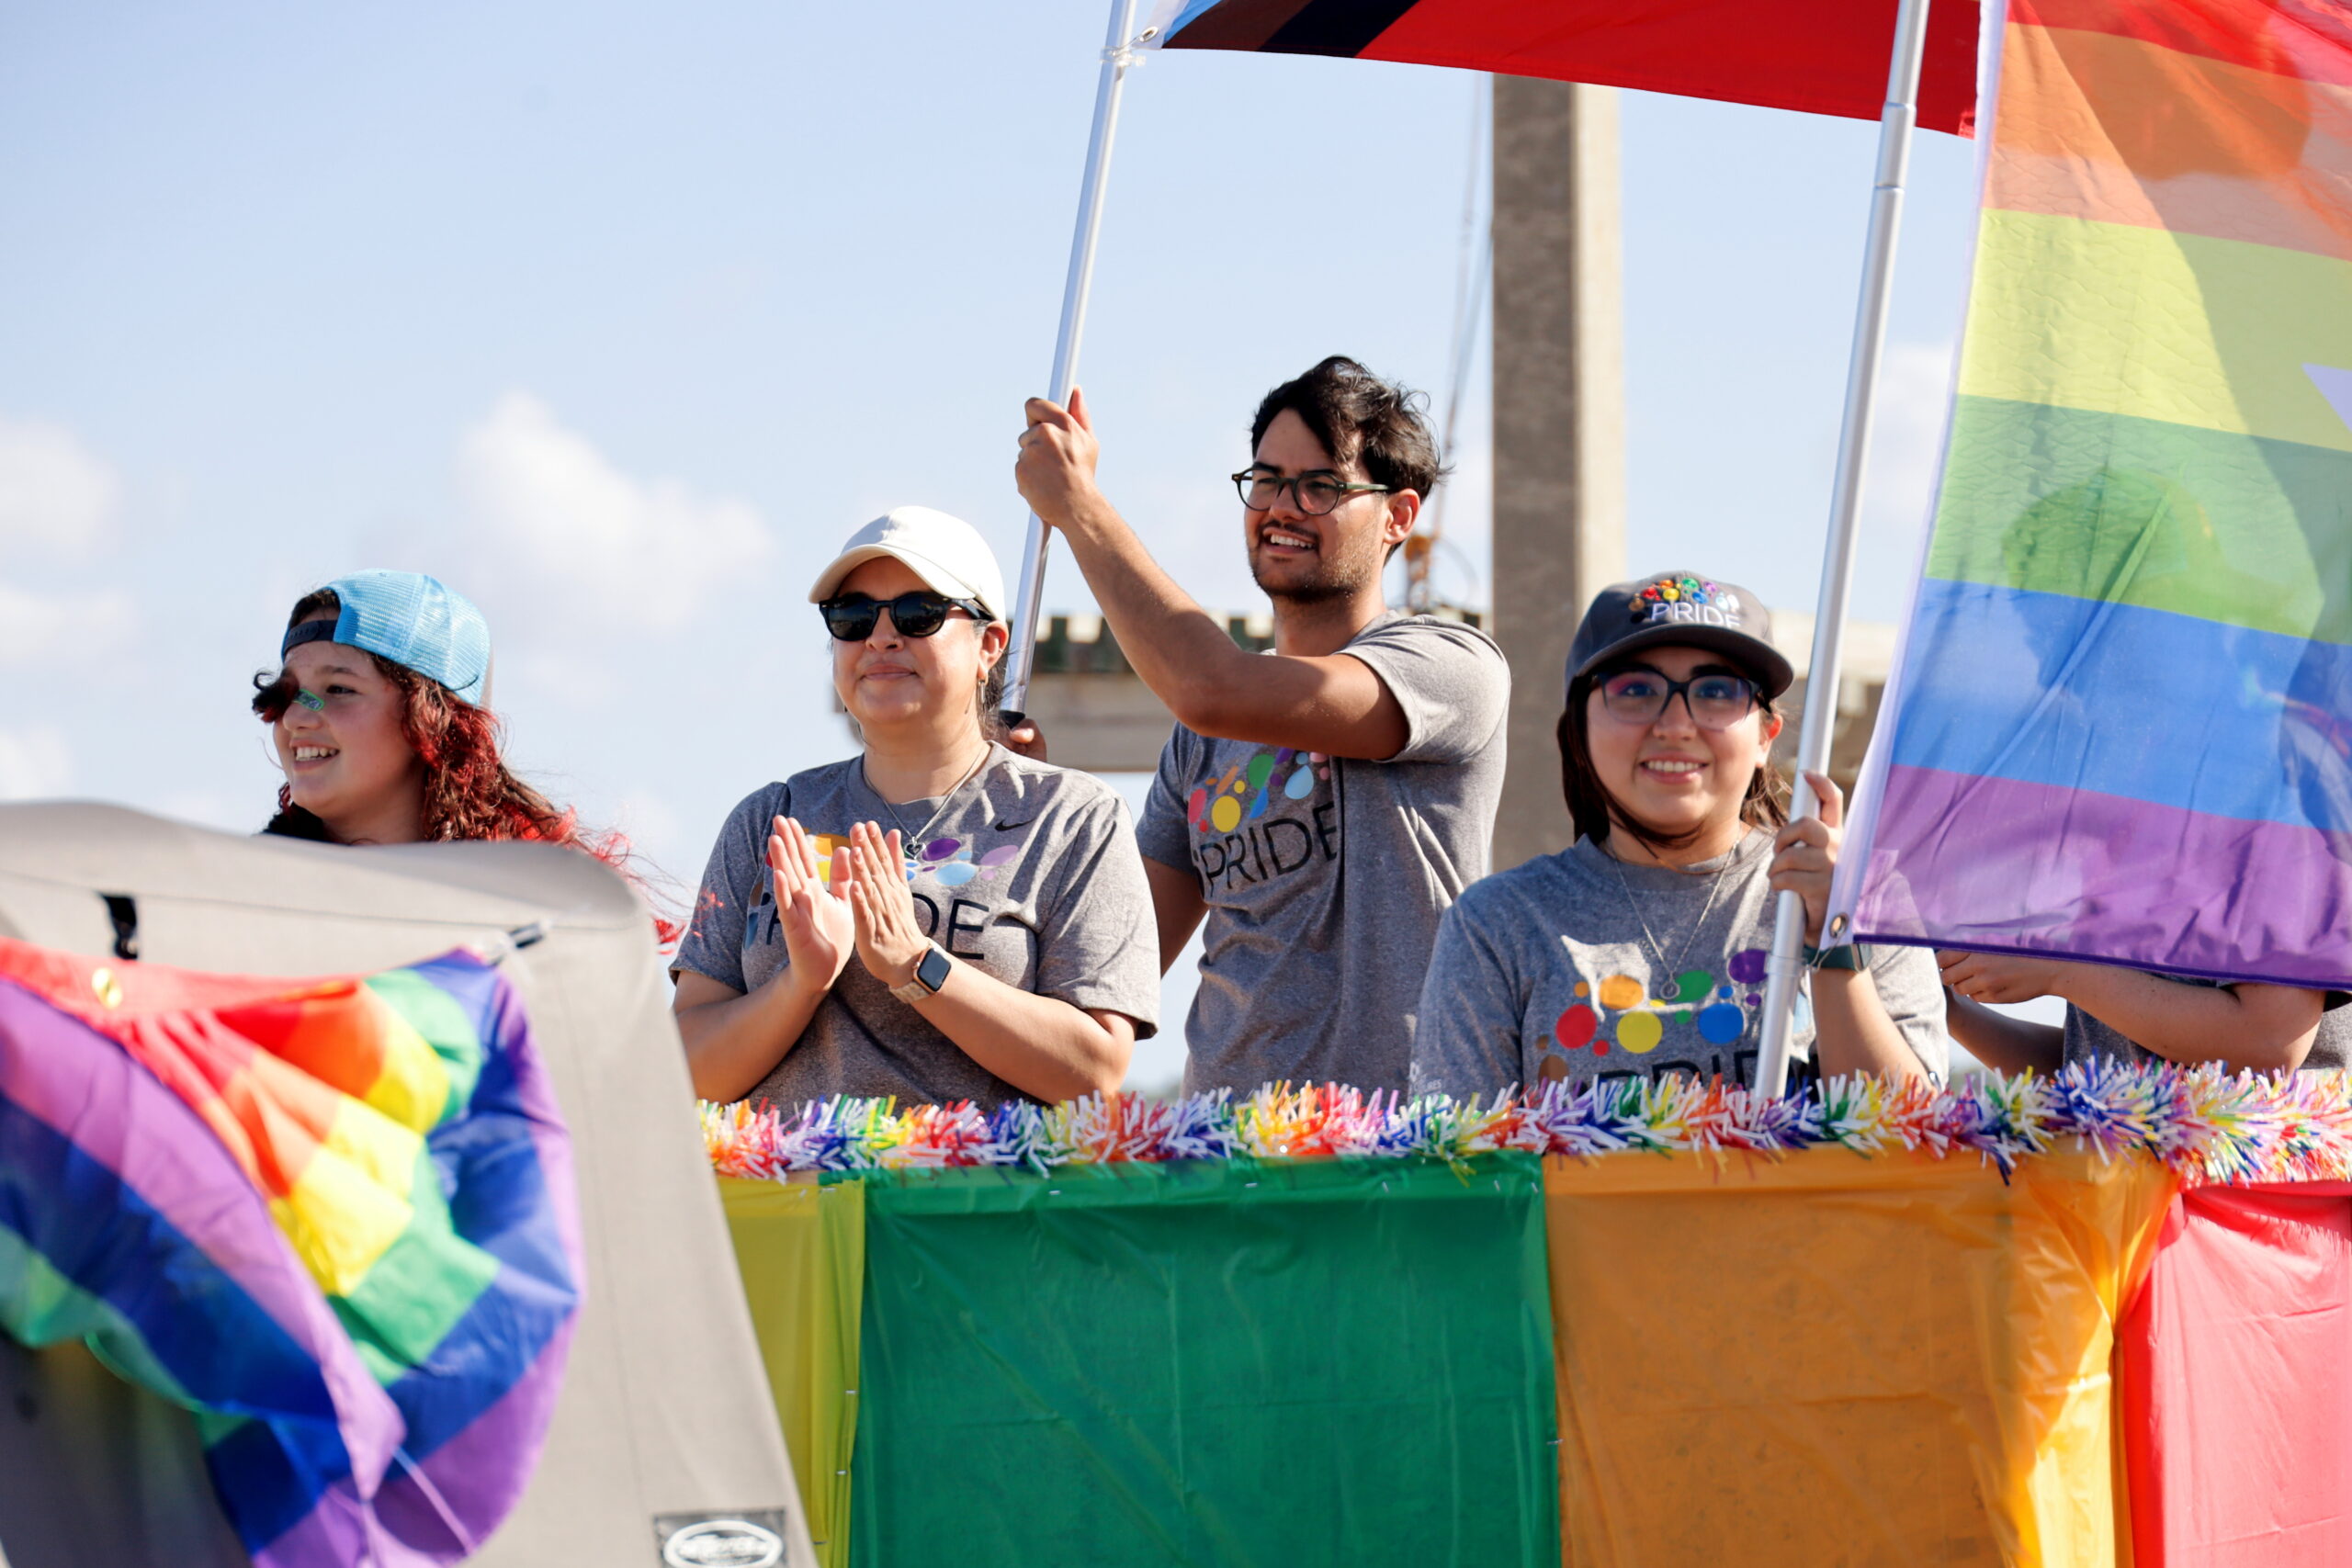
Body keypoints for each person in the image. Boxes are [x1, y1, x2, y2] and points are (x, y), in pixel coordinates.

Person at [1015, 357, 1510, 1095]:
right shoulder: (1202, 737)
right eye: (1268, 480)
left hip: (1400, 1143)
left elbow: (1209, 686)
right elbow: (1115, 962)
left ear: (1399, 516)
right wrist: (1027, 802)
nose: (1283, 506)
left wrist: (1081, 508)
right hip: (1224, 1146)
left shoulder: (1450, 666)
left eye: (1321, 486)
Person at [671, 506, 1159, 1111]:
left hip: (980, 1177)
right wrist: (799, 983)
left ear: (990, 646)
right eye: (852, 616)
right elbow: (688, 1069)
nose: (880, 636)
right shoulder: (768, 819)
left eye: (918, 612)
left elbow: (1094, 1070)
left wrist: (916, 965)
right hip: (795, 1174)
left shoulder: (1073, 817)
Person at [1409, 573, 1947, 1100]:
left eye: (1716, 692)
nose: (1675, 725)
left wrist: (1832, 937)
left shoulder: (1864, 895)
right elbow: (1459, 1156)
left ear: (1766, 736)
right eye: (1635, 690)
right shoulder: (1495, 925)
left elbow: (1916, 1140)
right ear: (1579, 731)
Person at [252, 570, 616, 857]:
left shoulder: (537, 902)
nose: (294, 718)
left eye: (339, 689)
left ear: (437, 720)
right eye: (290, 694)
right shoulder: (237, 890)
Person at [1939, 954, 2346, 1075]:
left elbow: (2268, 1043)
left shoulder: (2276, 828)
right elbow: (2090, 1070)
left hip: (2246, 1224)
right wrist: (1946, 1008)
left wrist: (2060, 974)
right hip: (2121, 1213)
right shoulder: (2116, 862)